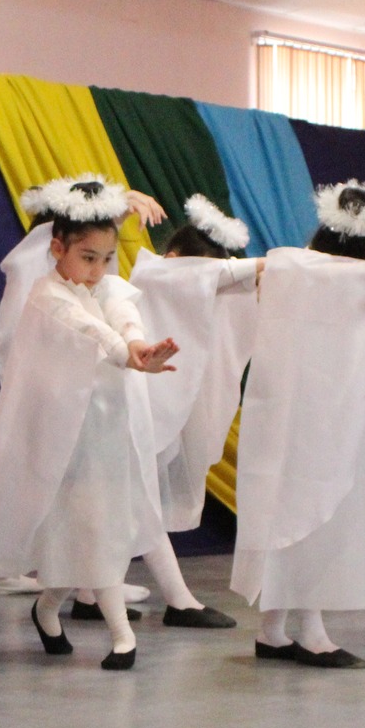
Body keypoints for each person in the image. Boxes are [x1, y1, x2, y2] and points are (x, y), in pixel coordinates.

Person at [0, 176, 179, 670]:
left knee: (87, 533)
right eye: (87, 257)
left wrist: (137, 343)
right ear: (57, 248)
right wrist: (128, 352)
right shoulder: (47, 296)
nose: (98, 269)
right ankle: (122, 635)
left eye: (106, 258)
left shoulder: (104, 286)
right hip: (62, 439)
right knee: (93, 531)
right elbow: (92, 331)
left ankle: (46, 609)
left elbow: (120, 313)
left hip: (106, 434)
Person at [230, 181, 365, 667]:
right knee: (308, 521)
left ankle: (275, 630)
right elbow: (318, 273)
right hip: (306, 428)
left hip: (325, 426)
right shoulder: (300, 270)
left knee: (307, 523)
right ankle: (307, 631)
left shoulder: (335, 278)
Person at [123, 194, 262, 629]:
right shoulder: (153, 271)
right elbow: (215, 275)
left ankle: (89, 593)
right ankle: (178, 600)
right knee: (136, 499)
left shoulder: (163, 278)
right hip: (129, 399)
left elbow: (224, 285)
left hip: (144, 400)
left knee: (124, 499)